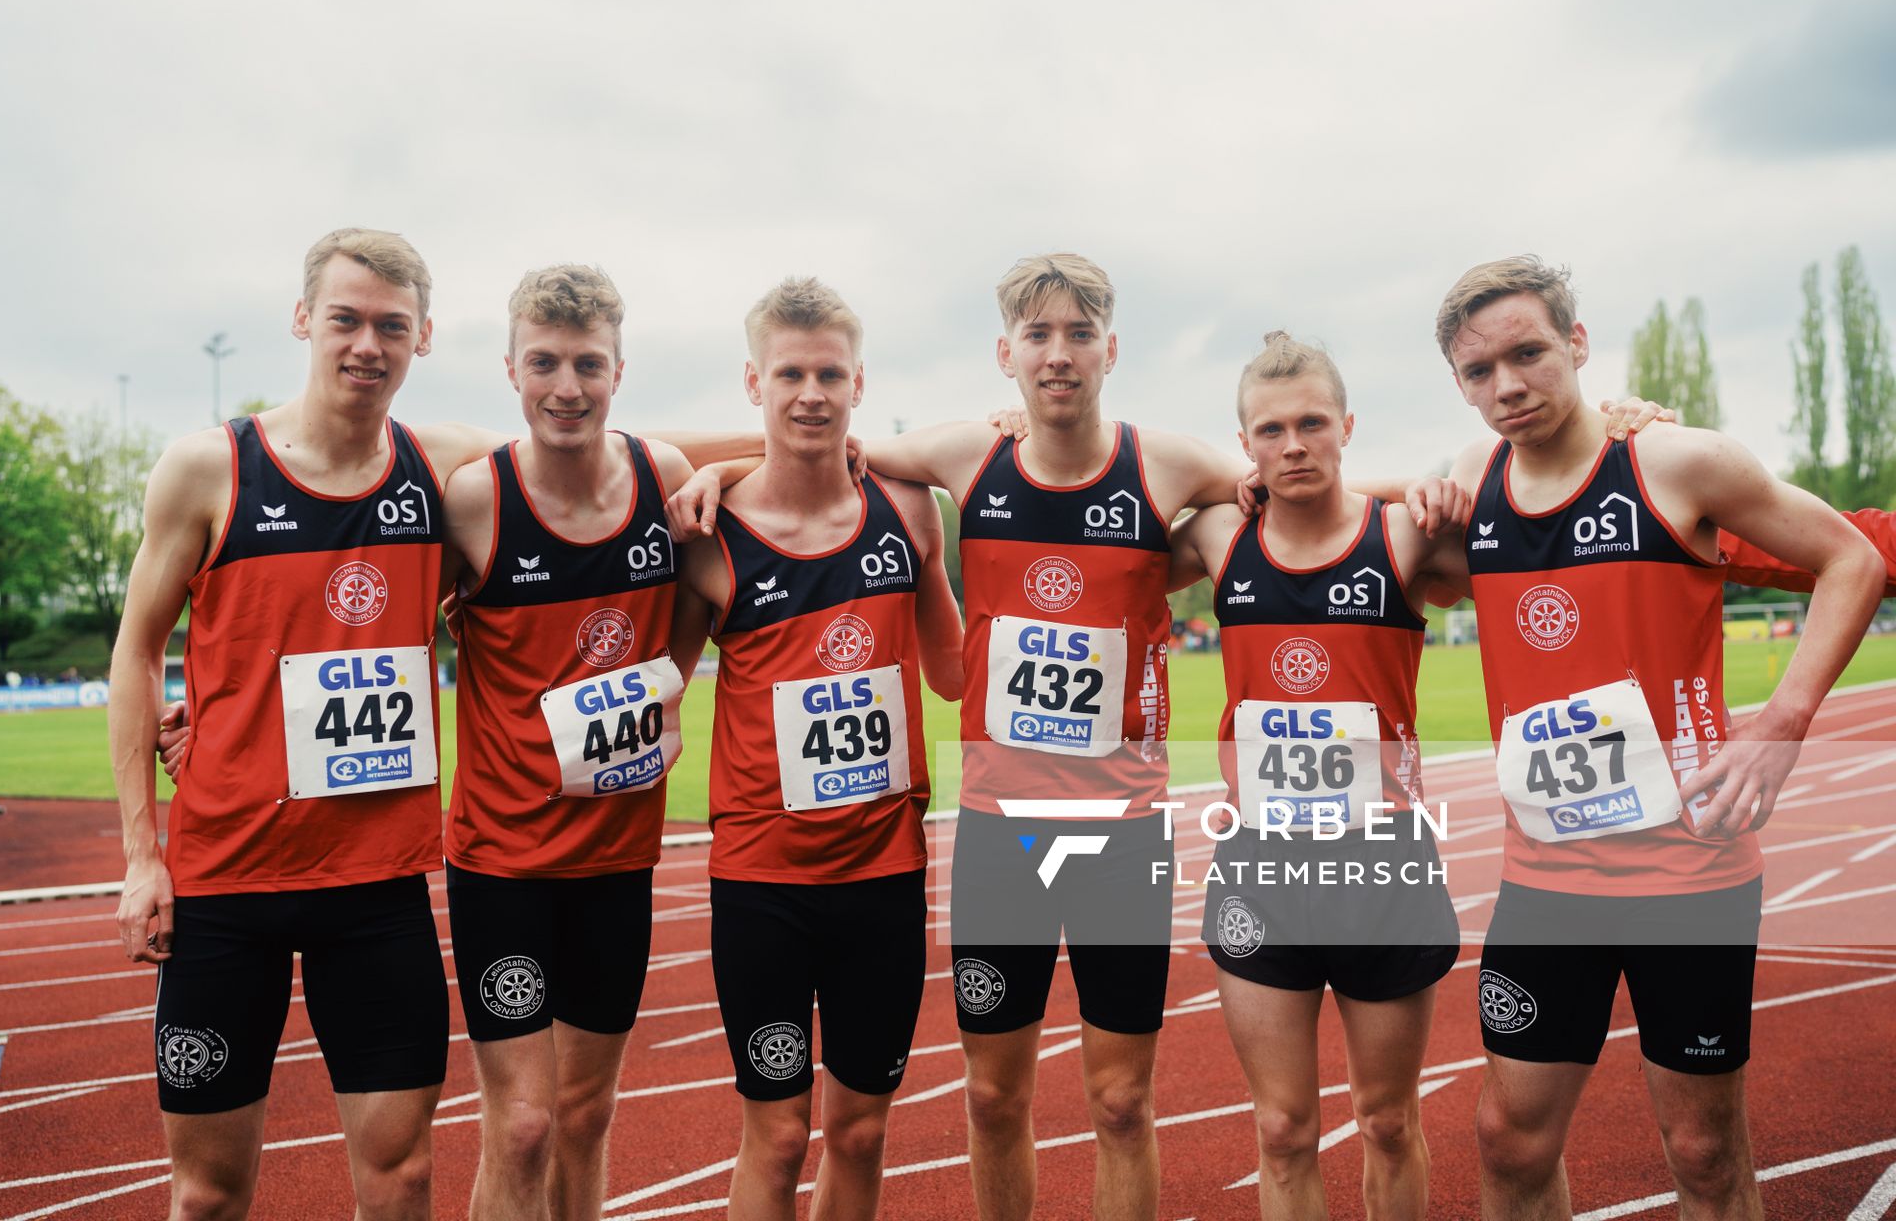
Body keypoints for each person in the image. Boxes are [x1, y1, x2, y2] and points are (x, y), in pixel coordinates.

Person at [672, 253, 1279, 1220]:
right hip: (1004, 838)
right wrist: (719, 468)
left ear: (1111, 349)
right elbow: (823, 442)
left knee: (1122, 1103)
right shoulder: (965, 459)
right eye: (1038, 335)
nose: (1059, 354)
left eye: (1079, 334)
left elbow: (1291, 479)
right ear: (1007, 354)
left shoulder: (1167, 464)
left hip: (1125, 836)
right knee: (994, 1099)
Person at [1431, 256, 1883, 1219]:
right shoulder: (1471, 478)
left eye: (1529, 353)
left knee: (1704, 1151)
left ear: (1577, 343)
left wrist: (1782, 721)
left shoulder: (1678, 463)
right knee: (1508, 1140)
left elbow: (1851, 557)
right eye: (1479, 371)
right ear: (1460, 385)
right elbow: (1325, 495)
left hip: (1689, 875)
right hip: (1547, 876)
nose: (1508, 385)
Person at [109, 227, 502, 1220]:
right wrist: (142, 857)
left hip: (375, 888)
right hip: (224, 884)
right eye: (346, 319)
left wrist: (751, 460)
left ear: (423, 337)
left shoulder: (445, 465)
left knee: (401, 1179)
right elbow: (136, 652)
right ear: (303, 319)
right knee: (207, 1193)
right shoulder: (208, 468)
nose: (368, 344)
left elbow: (603, 456)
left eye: (393, 326)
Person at [671, 276, 963, 1220]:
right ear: (753, 382)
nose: (811, 394)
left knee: (863, 1132)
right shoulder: (710, 538)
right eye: (789, 374)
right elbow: (656, 687)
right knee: (778, 1134)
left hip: (883, 876)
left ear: (858, 383)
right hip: (764, 884)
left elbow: (953, 674)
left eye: (830, 375)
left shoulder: (907, 512)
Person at [1170, 331, 1463, 1218]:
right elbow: (1090, 527)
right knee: (1283, 1129)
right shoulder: (1220, 536)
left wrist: (1627, 423)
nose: (1292, 445)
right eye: (1270, 431)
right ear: (1244, 445)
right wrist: (1019, 426)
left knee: (1386, 1121)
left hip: (1383, 869)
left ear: (1347, 427)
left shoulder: (1404, 535)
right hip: (1261, 869)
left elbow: (1536, 519)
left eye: (1312, 425)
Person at [440, 264, 704, 1220]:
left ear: (618, 372)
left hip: (616, 860)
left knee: (586, 1116)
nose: (567, 387)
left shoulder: (663, 477)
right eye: (544, 362)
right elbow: (370, 627)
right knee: (522, 1125)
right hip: (503, 863)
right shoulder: (474, 501)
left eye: (588, 364)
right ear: (512, 370)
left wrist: (668, 680)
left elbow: (703, 596)